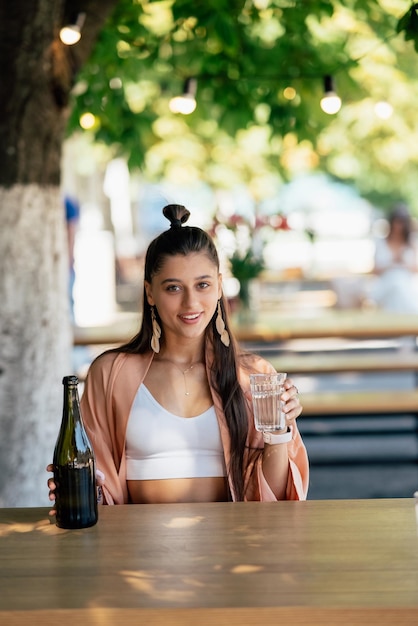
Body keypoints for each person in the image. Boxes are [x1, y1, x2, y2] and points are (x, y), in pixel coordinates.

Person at [48, 204, 308, 507]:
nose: (191, 303)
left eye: (203, 285)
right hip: (136, 548)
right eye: (173, 288)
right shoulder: (110, 374)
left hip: (231, 548)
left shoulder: (252, 376)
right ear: (150, 292)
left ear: (220, 286)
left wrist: (279, 429)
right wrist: (77, 489)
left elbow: (273, 499)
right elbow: (98, 483)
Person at [370, 203, 418, 313]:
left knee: (400, 285)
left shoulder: (412, 243)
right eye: (397, 222)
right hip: (385, 285)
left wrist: (403, 263)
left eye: (402, 223)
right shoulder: (381, 243)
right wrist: (391, 263)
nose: (398, 226)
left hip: (407, 286)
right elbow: (374, 270)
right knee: (396, 284)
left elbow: (415, 268)